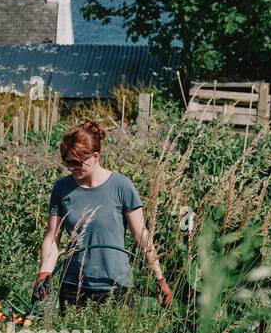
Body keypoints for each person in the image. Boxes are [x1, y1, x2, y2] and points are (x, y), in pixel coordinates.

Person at [32, 120, 173, 313]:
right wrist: (44, 273)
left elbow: (142, 236)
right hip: (73, 287)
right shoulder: (62, 189)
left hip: (115, 286)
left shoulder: (121, 186)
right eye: (67, 163)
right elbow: (52, 237)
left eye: (76, 163)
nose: (71, 169)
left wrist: (159, 277)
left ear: (95, 156)